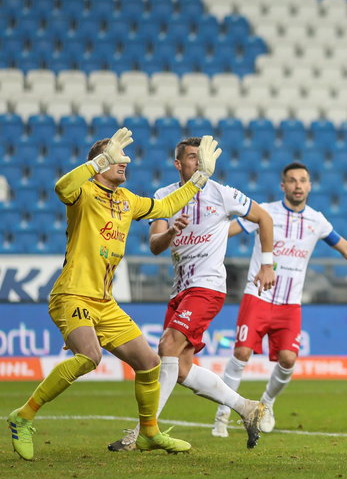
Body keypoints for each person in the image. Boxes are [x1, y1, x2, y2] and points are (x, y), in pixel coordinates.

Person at [6, 128, 220, 460]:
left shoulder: (127, 200)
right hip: (73, 294)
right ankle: (23, 416)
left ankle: (148, 433)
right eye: (117, 156)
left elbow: (165, 206)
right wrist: (97, 163)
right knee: (90, 356)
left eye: (123, 157)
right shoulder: (84, 193)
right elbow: (61, 187)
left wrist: (201, 178)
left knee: (149, 363)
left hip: (104, 301)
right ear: (100, 162)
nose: (125, 161)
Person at [108, 137, 277, 452]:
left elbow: (264, 217)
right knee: (181, 368)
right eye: (190, 157)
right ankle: (247, 408)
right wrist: (171, 231)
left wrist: (267, 265)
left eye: (201, 157)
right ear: (177, 164)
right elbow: (155, 246)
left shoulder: (223, 194)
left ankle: (142, 432)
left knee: (167, 346)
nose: (198, 162)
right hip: (180, 289)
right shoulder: (164, 196)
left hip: (207, 285)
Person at [211, 161, 347, 437]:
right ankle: (222, 414)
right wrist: (199, 236)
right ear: (283, 185)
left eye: (303, 180)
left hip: (290, 303)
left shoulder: (317, 220)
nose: (298, 185)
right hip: (259, 296)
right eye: (292, 180)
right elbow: (227, 231)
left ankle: (266, 403)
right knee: (241, 352)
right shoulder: (265, 212)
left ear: (309, 186)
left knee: (288, 359)